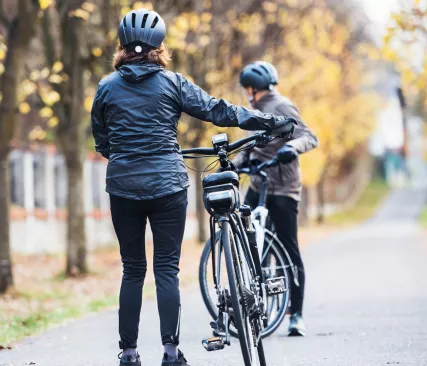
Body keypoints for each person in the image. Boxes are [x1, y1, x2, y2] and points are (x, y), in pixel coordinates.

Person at [91, 10, 298, 366]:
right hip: (168, 186)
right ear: (160, 47)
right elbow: (218, 111)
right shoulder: (172, 83)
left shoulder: (107, 87)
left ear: (122, 46)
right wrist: (269, 121)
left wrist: (126, 159)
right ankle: (171, 353)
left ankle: (128, 353)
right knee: (166, 269)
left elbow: (101, 140)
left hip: (123, 187)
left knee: (132, 269)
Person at [234, 61, 319, 337]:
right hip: (259, 185)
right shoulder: (255, 111)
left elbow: (308, 136)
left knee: (287, 249)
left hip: (282, 188)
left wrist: (292, 147)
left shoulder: (281, 106)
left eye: (248, 88)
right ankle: (258, 306)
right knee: (252, 246)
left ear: (251, 89)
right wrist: (232, 164)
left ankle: (296, 314)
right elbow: (253, 149)